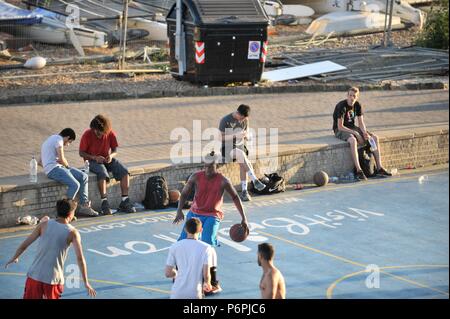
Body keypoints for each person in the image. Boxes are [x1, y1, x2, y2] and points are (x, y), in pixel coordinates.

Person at [174, 151, 249, 294]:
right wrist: (179, 211)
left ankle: (213, 280)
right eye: (206, 166)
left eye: (211, 167)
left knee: (207, 246)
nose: (208, 170)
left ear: (217, 165)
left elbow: (235, 197)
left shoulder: (223, 181)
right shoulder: (196, 177)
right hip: (195, 213)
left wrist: (244, 218)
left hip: (212, 216)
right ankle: (180, 272)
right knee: (182, 243)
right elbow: (183, 194)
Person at [4, 199, 97, 299]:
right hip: (53, 280)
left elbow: (24, 245)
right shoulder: (73, 232)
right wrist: (86, 282)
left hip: (34, 276)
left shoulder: (43, 225)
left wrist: (15, 257)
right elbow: (80, 259)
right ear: (70, 214)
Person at [79, 114, 136, 215]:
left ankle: (125, 200)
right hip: (91, 161)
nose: (98, 135)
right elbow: (81, 152)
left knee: (124, 171)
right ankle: (104, 202)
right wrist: (95, 158)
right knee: (102, 172)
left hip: (106, 158)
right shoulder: (87, 134)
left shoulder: (110, 133)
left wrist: (111, 156)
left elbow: (115, 150)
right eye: (96, 132)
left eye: (101, 133)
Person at [332, 87, 392, 181]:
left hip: (352, 127)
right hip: (340, 129)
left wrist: (364, 133)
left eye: (354, 96)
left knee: (374, 138)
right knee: (353, 140)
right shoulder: (341, 106)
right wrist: (356, 133)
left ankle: (379, 168)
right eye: (350, 95)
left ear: (357, 97)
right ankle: (359, 170)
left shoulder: (357, 105)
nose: (352, 98)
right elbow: (340, 126)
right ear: (347, 96)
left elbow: (361, 123)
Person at [40, 128, 98, 217]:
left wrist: (52, 163)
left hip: (58, 167)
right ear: (67, 137)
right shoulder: (58, 140)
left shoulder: (50, 139)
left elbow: (40, 161)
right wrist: (65, 166)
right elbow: (61, 158)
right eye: (69, 142)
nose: (68, 145)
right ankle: (65, 212)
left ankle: (84, 206)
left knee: (84, 176)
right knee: (75, 185)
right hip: (54, 169)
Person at [219, 104, 266, 201]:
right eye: (241, 118)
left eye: (244, 118)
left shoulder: (245, 119)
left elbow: (247, 132)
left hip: (241, 145)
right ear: (238, 113)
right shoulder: (225, 120)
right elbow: (220, 138)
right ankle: (255, 180)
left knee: (243, 162)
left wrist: (246, 135)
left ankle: (244, 192)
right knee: (241, 155)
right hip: (227, 147)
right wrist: (235, 135)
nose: (242, 120)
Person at [165, 217, 216, 299]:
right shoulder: (206, 248)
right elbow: (206, 274)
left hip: (177, 293)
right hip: (194, 293)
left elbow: (168, 273)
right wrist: (207, 283)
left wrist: (176, 274)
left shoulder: (174, 246)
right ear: (201, 230)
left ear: (185, 229)